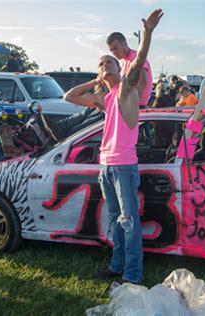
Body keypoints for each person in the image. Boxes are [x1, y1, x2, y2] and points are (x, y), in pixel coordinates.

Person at [64, 9, 163, 285]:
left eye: (110, 60)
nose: (105, 63)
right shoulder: (104, 100)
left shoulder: (127, 89)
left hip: (123, 166)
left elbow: (140, 58)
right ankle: (116, 266)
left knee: (129, 222)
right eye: (101, 62)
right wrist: (96, 80)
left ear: (121, 68)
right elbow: (69, 96)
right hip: (105, 166)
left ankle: (133, 273)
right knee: (115, 221)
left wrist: (147, 34)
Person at [107, 31, 153, 109]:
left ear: (124, 43)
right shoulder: (124, 62)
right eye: (111, 50)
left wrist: (134, 104)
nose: (114, 52)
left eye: (115, 48)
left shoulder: (136, 57)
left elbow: (143, 81)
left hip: (137, 106)